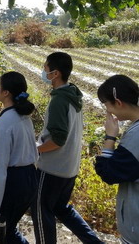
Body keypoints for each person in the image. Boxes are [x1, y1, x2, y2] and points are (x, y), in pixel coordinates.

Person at [31, 52, 103, 244]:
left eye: (45, 68)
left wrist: (35, 149)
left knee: (40, 210)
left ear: (55, 73)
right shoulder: (73, 95)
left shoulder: (59, 100)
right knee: (61, 208)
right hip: (69, 168)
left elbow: (58, 140)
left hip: (52, 168)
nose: (43, 72)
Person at [0, 72, 38, 244]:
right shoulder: (23, 116)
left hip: (12, 183)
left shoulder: (4, 124)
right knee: (8, 231)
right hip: (29, 178)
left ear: (6, 92)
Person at [94, 75, 139, 244]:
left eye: (106, 105)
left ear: (118, 103)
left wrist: (110, 137)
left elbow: (108, 172)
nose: (107, 110)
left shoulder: (136, 137)